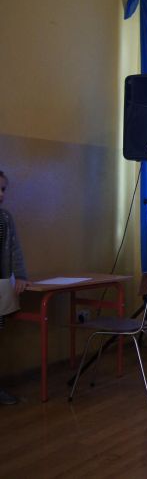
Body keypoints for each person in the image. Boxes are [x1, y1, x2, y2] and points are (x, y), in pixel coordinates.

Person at [0, 170, 30, 406]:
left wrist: (20, 275)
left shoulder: (5, 218)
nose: (1, 194)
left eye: (3, 189)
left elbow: (15, 249)